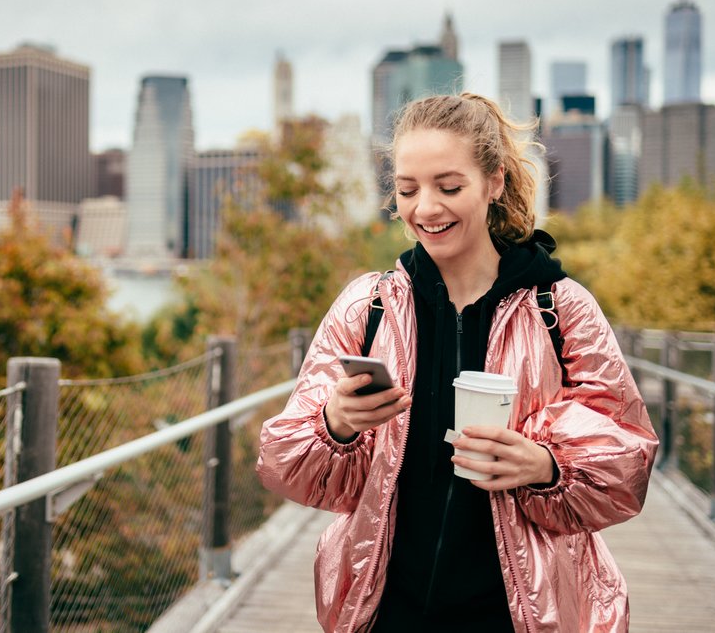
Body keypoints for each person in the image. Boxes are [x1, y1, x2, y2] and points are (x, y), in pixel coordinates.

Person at [256, 92, 658, 633]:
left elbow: (630, 464)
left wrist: (548, 467)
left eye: (449, 186)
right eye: (407, 190)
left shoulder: (559, 308)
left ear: (493, 181)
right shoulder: (367, 307)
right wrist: (336, 424)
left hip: (522, 614)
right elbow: (284, 465)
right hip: (386, 610)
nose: (425, 208)